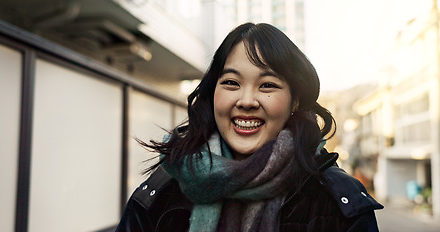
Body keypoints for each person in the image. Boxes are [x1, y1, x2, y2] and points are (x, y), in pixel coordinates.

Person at [115, 22, 383, 232]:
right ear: (213, 92)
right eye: (231, 82)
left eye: (268, 85)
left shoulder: (337, 202)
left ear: (295, 99)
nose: (246, 101)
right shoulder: (165, 188)